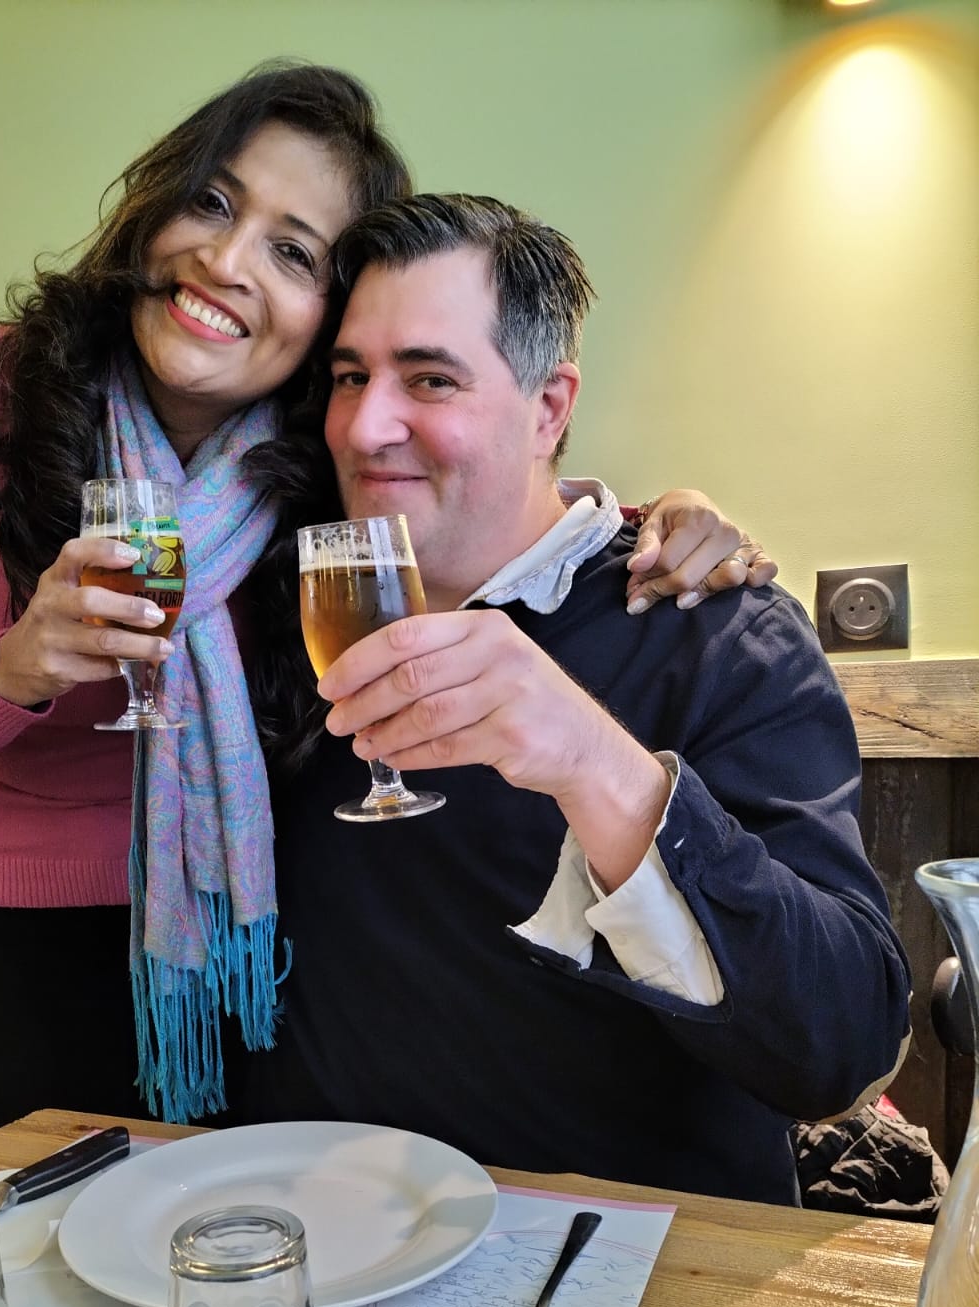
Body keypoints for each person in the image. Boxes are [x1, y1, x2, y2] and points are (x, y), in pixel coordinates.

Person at [0, 63, 773, 1137]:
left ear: (328, 315)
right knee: (67, 1223)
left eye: (295, 252)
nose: (226, 263)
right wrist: (16, 667)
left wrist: (663, 519)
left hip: (265, 922)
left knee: (257, 1218)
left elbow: (487, 494)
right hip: (19, 934)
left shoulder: (322, 449)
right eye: (212, 202)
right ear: (153, 206)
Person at [221, 193, 912, 1205]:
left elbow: (845, 1045)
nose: (365, 426)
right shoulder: (284, 615)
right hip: (316, 1233)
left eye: (430, 378)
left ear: (549, 407)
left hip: (615, 1259)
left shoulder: (716, 630)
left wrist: (598, 766)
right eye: (350, 377)